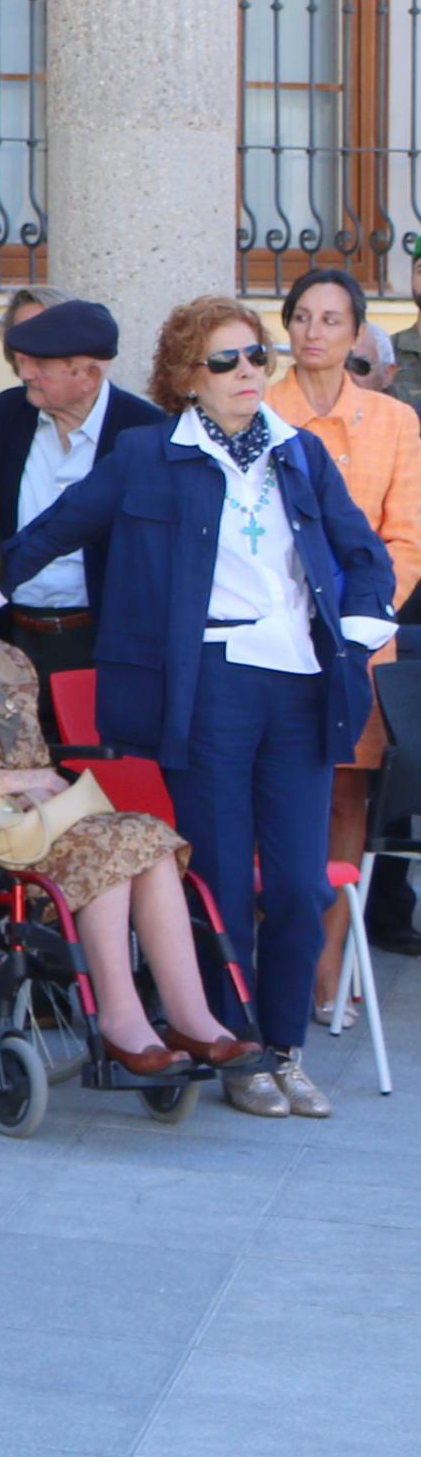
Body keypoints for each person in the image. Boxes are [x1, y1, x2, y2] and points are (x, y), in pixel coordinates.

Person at [8, 297, 396, 1119]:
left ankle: (284, 1046)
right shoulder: (146, 456)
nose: (247, 371)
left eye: (255, 355)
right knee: (220, 875)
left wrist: (355, 640)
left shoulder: (299, 454)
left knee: (296, 884)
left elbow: (364, 556)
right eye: (224, 361)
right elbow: (52, 532)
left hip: (299, 686)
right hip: (208, 686)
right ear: (187, 378)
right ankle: (237, 1044)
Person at [0, 520, 247, 1074]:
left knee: (149, 840)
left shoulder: (10, 661)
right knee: (114, 849)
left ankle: (191, 1017)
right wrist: (22, 784)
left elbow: (34, 760)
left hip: (25, 817)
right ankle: (122, 1021)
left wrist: (36, 787)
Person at [265, 267, 421, 1005]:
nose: (314, 332)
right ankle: (275, 957)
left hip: (357, 637)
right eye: (301, 316)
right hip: (268, 633)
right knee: (269, 788)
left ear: (356, 331)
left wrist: (356, 618)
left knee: (343, 798)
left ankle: (326, 968)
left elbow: (405, 539)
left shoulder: (395, 422)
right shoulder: (257, 408)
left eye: (331, 319)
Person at [0, 298, 159, 683]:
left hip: (100, 644)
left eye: (41, 364)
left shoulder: (143, 432)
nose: (25, 372)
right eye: (24, 358)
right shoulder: (6, 415)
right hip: (7, 635)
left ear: (89, 374)